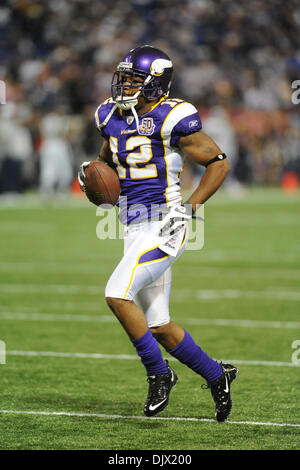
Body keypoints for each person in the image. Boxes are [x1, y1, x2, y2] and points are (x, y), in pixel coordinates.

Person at [78, 45, 238, 422]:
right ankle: (218, 376)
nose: (125, 85)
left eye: (134, 79)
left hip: (166, 223)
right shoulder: (109, 114)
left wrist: (190, 207)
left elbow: (218, 164)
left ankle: (159, 373)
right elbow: (108, 160)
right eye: (124, 77)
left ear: (155, 82)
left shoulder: (174, 116)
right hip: (132, 226)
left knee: (117, 294)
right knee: (160, 327)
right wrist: (92, 177)